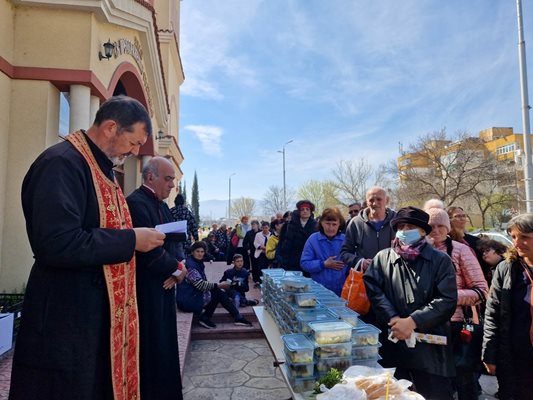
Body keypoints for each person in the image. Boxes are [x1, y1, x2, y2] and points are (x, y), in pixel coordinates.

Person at [9, 96, 166, 400]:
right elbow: (57, 243)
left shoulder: (101, 166)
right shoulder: (61, 163)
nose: (134, 152)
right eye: (133, 143)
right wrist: (132, 240)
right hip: (64, 318)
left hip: (93, 319)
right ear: (110, 128)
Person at [363, 206, 458, 400]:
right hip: (393, 341)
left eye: (411, 227)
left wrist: (413, 321)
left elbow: (446, 300)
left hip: (430, 349)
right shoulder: (383, 258)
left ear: (423, 231)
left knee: (434, 394)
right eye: (401, 226)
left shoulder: (440, 260)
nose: (405, 231)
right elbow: (374, 289)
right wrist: (394, 317)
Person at [126, 157, 188, 400]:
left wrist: (177, 269)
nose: (173, 184)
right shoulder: (136, 203)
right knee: (153, 347)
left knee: (166, 346)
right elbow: (147, 250)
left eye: (173, 179)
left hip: (165, 284)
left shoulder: (162, 206)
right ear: (150, 177)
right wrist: (174, 269)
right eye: (168, 178)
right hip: (147, 288)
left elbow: (171, 241)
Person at [426, 206, 488, 400]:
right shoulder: (418, 253)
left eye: (440, 226)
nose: (436, 231)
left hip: (458, 325)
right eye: (431, 226)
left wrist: (449, 298)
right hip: (428, 325)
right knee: (436, 381)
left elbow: (481, 290)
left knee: (464, 379)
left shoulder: (461, 250)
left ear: (448, 227)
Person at [483, 214, 533, 400]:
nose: (517, 243)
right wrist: (489, 354)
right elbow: (493, 313)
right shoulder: (506, 269)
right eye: (513, 237)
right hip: (514, 358)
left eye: (524, 237)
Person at [176, 241, 253, 328]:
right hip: (188, 301)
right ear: (192, 252)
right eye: (197, 251)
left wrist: (218, 286)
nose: (200, 254)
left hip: (192, 295)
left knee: (218, 292)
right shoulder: (191, 266)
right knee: (218, 292)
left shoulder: (196, 262)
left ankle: (210, 317)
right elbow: (200, 285)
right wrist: (219, 285)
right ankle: (234, 317)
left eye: (202, 252)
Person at [341, 187, 397, 272]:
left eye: (379, 199)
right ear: (366, 202)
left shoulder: (398, 221)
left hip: (393, 275)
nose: (375, 203)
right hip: (367, 277)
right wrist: (360, 262)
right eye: (371, 200)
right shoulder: (355, 223)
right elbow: (345, 253)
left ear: (387, 201)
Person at [301, 207, 350, 296]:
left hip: (342, 291)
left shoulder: (345, 240)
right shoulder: (313, 239)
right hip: (318, 291)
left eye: (334, 224)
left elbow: (352, 266)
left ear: (339, 224)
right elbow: (304, 263)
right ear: (322, 223)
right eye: (327, 224)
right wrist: (323, 264)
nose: (330, 228)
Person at [278, 200, 317, 272]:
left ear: (311, 211)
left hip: (309, 260)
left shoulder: (315, 225)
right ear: (299, 211)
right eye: (302, 209)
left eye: (307, 209)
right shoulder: (291, 225)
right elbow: (286, 244)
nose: (305, 211)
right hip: (293, 261)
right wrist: (284, 261)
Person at [170, 193, 199, 260]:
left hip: (173, 240)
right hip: (185, 240)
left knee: (174, 260)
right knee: (185, 260)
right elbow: (194, 226)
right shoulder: (188, 212)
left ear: (175, 202)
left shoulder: (170, 211)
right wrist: (196, 239)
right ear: (183, 202)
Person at [244, 220, 261, 286]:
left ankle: (260, 279)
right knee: (254, 266)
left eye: (254, 224)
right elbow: (244, 243)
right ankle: (255, 280)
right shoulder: (249, 233)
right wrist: (248, 249)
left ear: (257, 225)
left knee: (260, 265)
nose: (253, 226)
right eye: (252, 225)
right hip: (252, 251)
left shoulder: (261, 232)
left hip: (260, 251)